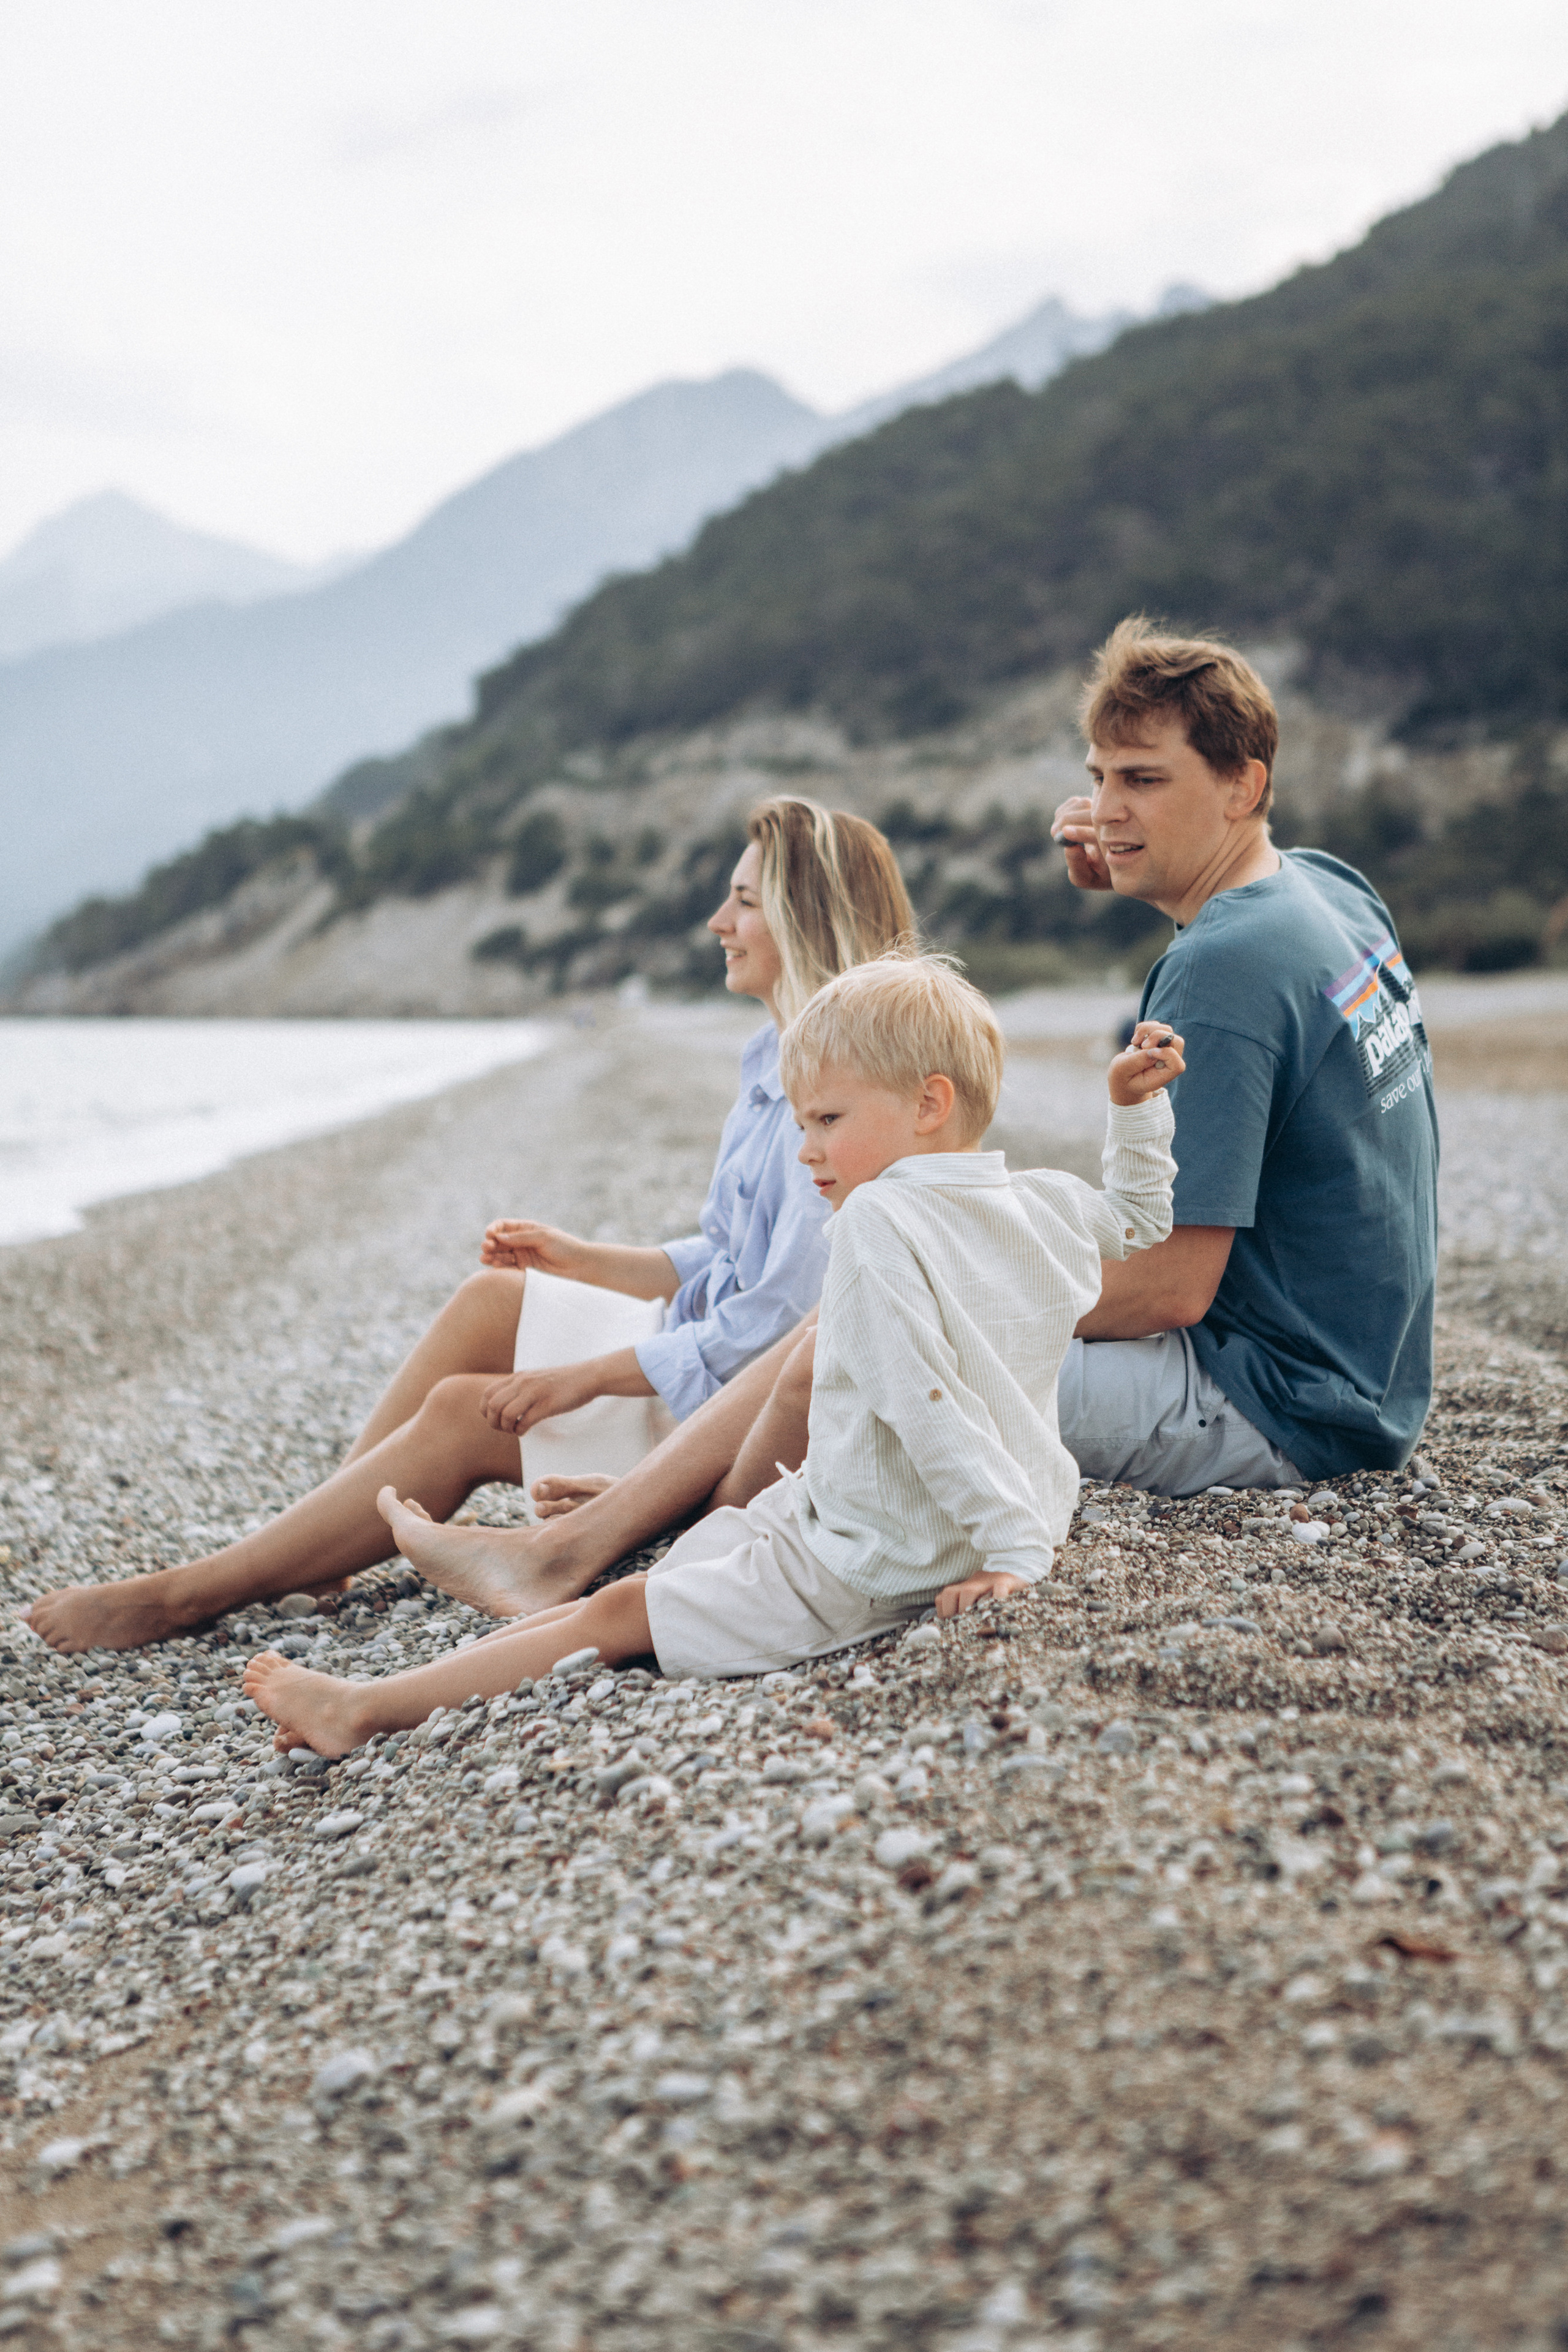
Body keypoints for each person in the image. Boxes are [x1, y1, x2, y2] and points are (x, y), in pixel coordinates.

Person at [363, 614, 1439, 1623]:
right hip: (1374, 1365)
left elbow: (1172, 1285)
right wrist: (1147, 868)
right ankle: (668, 1520)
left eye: (1146, 782)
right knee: (877, 1306)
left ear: (1243, 785)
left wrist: (958, 1284)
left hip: (1274, 1401)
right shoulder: (1325, 891)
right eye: (1099, 777)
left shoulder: (1221, 969)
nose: (1107, 810)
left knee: (871, 1320)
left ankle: (605, 1547)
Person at [23, 798, 915, 1654]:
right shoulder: (773, 1058)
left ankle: (193, 1593)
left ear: (805, 917)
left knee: (459, 1413)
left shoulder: (831, 1099)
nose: (718, 920)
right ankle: (318, 1545)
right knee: (495, 1297)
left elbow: (777, 1321)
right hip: (702, 1349)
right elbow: (726, 1258)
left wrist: (582, 1377)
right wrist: (581, 1258)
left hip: (726, 1406)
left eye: (745, 901)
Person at [241, 956, 1183, 1750]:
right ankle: (576, 1572)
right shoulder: (1038, 1198)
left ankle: (365, 1709)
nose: (807, 1150)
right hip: (890, 1514)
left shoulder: (880, 1219)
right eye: (802, 1121)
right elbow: (1139, 1220)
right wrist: (1131, 1115)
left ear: (930, 1103)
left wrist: (1013, 1550)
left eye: (828, 1121)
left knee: (624, 1614)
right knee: (707, 1547)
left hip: (881, 1557)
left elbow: (923, 1398)